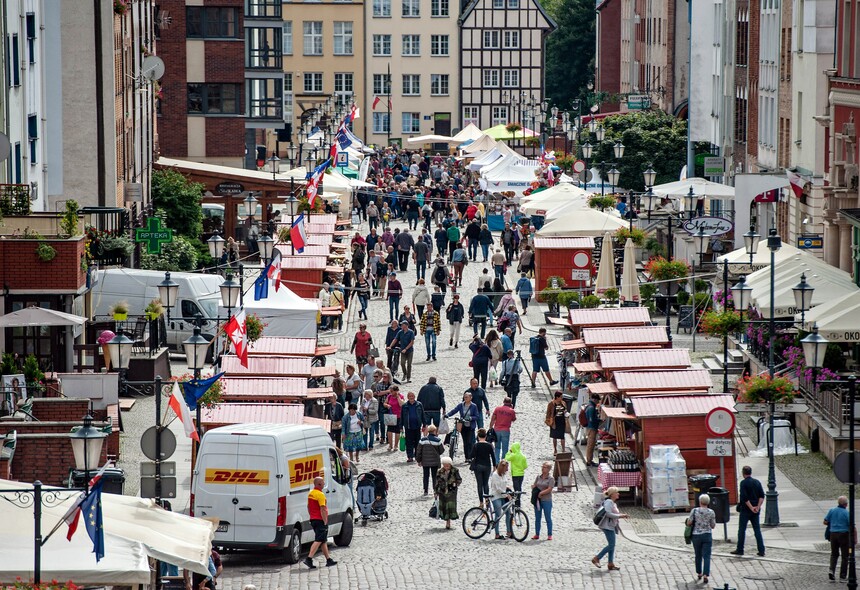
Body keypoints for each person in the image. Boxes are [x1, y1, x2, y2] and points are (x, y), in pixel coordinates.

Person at [731, 465, 766, 557]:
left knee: (742, 530)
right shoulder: (757, 482)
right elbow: (762, 496)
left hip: (746, 510)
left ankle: (740, 549)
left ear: (743, 473)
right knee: (757, 530)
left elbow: (744, 497)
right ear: (750, 472)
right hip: (756, 511)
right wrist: (757, 507)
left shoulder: (743, 483)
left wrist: (751, 507)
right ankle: (761, 550)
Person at [304, 477, 338, 568]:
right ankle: (309, 558)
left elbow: (308, 506)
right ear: (319, 484)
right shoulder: (320, 494)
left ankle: (328, 560)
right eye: (323, 482)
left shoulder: (311, 493)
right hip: (320, 520)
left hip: (313, 519)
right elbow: (322, 508)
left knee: (323, 541)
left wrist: (311, 515)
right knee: (319, 539)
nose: (324, 483)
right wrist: (325, 520)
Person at [592, 487, 628, 570]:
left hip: (611, 525)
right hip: (607, 526)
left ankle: (610, 563)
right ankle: (597, 558)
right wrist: (620, 516)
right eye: (616, 492)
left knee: (612, 545)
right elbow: (608, 514)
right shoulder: (609, 502)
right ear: (612, 494)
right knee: (611, 545)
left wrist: (621, 516)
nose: (618, 494)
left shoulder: (612, 503)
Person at [688, 493, 717, 584]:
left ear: (700, 501)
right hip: (707, 535)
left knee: (698, 554)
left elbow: (689, 522)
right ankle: (706, 575)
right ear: (708, 502)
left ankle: (699, 572)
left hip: (696, 535)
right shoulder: (711, 512)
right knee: (707, 556)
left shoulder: (694, 511)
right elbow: (713, 525)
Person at [824, 495, 851, 582]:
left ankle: (831, 571)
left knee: (834, 554)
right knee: (845, 556)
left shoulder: (832, 510)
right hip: (844, 535)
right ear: (846, 504)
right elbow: (850, 524)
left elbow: (825, 521)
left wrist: (833, 523)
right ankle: (842, 576)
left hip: (833, 534)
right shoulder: (846, 513)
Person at [446, 392, 479, 461]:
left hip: (470, 426)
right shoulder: (461, 405)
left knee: (470, 442)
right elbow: (454, 410)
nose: (465, 398)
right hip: (463, 426)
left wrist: (471, 418)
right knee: (465, 442)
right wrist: (448, 415)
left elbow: (477, 416)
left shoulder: (474, 406)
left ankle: (470, 457)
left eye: (467, 397)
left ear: (470, 398)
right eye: (464, 397)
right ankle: (467, 457)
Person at [488, 460, 514, 540]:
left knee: (508, 513)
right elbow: (497, 488)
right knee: (498, 514)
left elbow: (504, 484)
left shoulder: (503, 474)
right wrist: (506, 495)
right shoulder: (495, 475)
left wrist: (508, 489)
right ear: (502, 467)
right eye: (506, 467)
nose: (507, 469)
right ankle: (497, 534)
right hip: (496, 496)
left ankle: (509, 532)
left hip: (503, 496)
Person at [416, 424, 444, 495]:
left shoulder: (423, 440)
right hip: (435, 462)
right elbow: (441, 451)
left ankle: (425, 490)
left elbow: (418, 451)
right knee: (434, 476)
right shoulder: (438, 440)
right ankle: (435, 489)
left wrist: (419, 460)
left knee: (426, 475)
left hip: (425, 462)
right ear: (434, 431)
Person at [435, 457, 462, 529]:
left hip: (451, 492)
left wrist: (455, 484)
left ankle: (448, 522)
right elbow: (437, 482)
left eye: (447, 465)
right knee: (444, 507)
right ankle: (447, 521)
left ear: (450, 464)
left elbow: (459, 480)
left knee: (449, 506)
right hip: (442, 491)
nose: (446, 467)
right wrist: (436, 491)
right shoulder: (439, 471)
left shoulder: (455, 470)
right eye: (444, 465)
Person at [471, 428, 497, 505]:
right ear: (485, 436)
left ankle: (481, 502)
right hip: (487, 466)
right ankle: (487, 500)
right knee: (486, 483)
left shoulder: (476, 445)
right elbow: (493, 456)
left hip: (478, 466)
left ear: (478, 436)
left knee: (479, 484)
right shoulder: (489, 445)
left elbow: (471, 455)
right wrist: (494, 466)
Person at [531, 461, 555, 540]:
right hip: (538, 500)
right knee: (537, 518)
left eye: (544, 467)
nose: (542, 468)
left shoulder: (551, 479)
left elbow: (550, 489)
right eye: (542, 467)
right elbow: (535, 484)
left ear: (548, 469)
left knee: (548, 517)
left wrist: (541, 493)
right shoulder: (538, 477)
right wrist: (533, 487)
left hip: (546, 500)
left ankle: (549, 534)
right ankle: (537, 534)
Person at [489, 397, 517, 462]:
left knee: (497, 447)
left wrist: (490, 428)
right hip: (506, 430)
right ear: (510, 403)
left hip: (497, 430)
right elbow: (514, 419)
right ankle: (503, 462)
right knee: (505, 448)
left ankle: (496, 462)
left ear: (503, 402)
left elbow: (493, 419)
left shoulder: (497, 409)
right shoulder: (511, 411)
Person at [401, 391, 425, 462]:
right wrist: (401, 427)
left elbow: (422, 415)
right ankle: (410, 456)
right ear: (408, 397)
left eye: (412, 396)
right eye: (410, 396)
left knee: (417, 442)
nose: (411, 397)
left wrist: (424, 424)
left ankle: (417, 456)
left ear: (414, 397)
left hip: (417, 426)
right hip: (408, 427)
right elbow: (402, 417)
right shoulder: (404, 406)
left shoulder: (419, 404)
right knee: (409, 442)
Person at [504, 441, 528, 507]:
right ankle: (518, 502)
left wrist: (509, 451)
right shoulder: (523, 456)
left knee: (516, 489)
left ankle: (517, 503)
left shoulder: (513, 455)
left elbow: (506, 457)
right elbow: (525, 466)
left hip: (515, 474)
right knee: (519, 488)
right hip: (521, 474)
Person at [383, 385, 404, 451]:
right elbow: (384, 403)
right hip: (391, 416)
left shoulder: (401, 396)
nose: (391, 392)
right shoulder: (389, 396)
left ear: (396, 391)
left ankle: (396, 445)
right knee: (389, 430)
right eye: (390, 391)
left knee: (397, 431)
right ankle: (390, 445)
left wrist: (398, 397)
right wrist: (387, 405)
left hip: (398, 416)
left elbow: (401, 404)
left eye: (392, 391)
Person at [585, 394, 601, 467]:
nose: (598, 402)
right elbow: (591, 419)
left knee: (590, 445)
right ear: (595, 399)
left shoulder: (589, 406)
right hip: (592, 428)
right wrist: (599, 420)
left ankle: (589, 460)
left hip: (590, 428)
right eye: (597, 400)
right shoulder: (591, 407)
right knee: (591, 445)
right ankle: (589, 461)